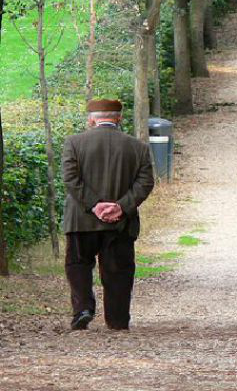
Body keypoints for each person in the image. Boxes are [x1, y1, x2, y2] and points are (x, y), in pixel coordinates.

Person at [62, 99, 154, 331]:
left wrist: (94, 205)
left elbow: (71, 180)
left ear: (91, 119)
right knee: (119, 270)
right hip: (120, 223)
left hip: (81, 220)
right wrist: (121, 207)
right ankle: (117, 319)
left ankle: (83, 308)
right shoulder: (138, 147)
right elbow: (145, 183)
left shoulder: (73, 143)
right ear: (119, 118)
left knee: (79, 264)